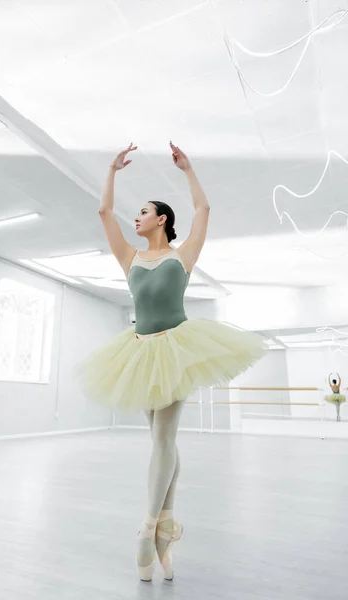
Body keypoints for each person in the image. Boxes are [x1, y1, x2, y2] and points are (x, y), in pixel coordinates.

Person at [76, 141, 266, 582]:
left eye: (144, 211)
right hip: (139, 352)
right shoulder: (130, 258)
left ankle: (146, 531)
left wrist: (188, 169)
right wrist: (110, 170)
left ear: (162, 219)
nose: (136, 217)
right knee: (163, 445)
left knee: (163, 441)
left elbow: (203, 209)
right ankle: (167, 531)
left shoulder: (183, 256)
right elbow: (104, 213)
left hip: (176, 349)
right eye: (136, 213)